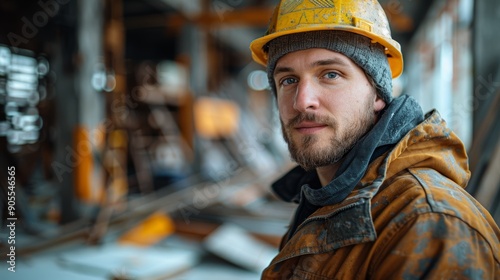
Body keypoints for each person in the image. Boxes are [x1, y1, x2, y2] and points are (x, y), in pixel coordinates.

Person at [249, 0, 500, 279]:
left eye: (330, 74)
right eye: (288, 80)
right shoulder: (321, 199)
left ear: (378, 94)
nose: (302, 101)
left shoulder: (428, 224)